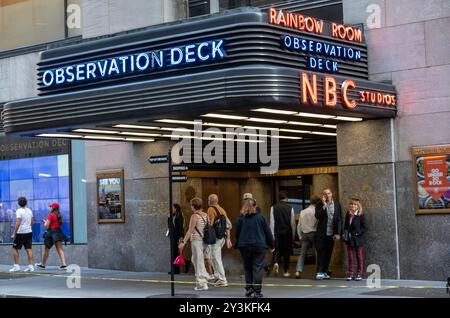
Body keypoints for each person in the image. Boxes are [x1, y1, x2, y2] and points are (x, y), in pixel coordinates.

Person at [235, 196, 274, 298]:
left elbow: (237, 233)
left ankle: (249, 289)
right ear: (255, 206)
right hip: (259, 245)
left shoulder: (240, 218)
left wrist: (237, 243)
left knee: (247, 268)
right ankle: (257, 291)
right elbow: (268, 232)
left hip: (244, 246)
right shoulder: (261, 217)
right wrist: (272, 245)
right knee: (257, 268)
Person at [178, 197, 210, 291]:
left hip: (196, 241)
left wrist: (183, 242)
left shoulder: (194, 216)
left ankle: (202, 283)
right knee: (195, 259)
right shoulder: (205, 215)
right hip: (204, 241)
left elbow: (190, 230)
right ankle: (204, 279)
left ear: (193, 206)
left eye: (191, 205)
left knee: (198, 261)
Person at [315, 188, 342, 280]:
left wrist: (338, 233)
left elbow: (339, 220)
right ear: (323, 196)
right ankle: (319, 272)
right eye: (325, 194)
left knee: (328, 253)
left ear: (332, 194)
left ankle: (325, 271)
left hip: (332, 234)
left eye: (328, 193)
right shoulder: (319, 204)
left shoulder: (337, 205)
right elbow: (317, 216)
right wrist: (324, 206)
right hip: (321, 233)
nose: (327, 195)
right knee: (321, 252)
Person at [206, 194, 232, 287]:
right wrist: (228, 239)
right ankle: (217, 277)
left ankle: (222, 279)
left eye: (208, 200)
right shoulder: (222, 210)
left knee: (216, 258)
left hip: (215, 238)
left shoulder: (211, 209)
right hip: (222, 237)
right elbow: (228, 225)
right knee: (213, 257)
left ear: (210, 201)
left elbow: (210, 224)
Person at [269, 191, 296, 277]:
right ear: (286, 199)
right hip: (287, 232)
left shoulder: (273, 208)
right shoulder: (290, 208)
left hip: (277, 232)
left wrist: (272, 233)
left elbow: (272, 221)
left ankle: (276, 263)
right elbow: (292, 223)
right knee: (286, 252)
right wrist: (293, 234)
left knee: (278, 249)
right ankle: (286, 271)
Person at [35, 203, 68, 270]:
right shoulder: (59, 215)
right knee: (60, 249)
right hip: (58, 232)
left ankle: (43, 264)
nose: (50, 208)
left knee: (46, 249)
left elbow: (46, 226)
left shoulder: (51, 215)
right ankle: (64, 264)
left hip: (51, 233)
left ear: (53, 208)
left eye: (51, 207)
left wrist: (44, 222)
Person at [295, 194, 320, 279]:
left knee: (302, 254)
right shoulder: (316, 211)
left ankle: (298, 271)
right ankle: (318, 272)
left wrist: (299, 235)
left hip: (304, 234)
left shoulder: (303, 211)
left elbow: (299, 225)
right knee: (318, 253)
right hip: (314, 233)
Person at [343, 198, 367, 281]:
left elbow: (364, 228)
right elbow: (346, 226)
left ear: (358, 206)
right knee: (350, 257)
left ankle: (359, 274)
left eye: (355, 204)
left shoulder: (361, 215)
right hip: (349, 239)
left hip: (358, 240)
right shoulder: (348, 214)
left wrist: (358, 233)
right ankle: (350, 274)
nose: (353, 206)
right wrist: (345, 235)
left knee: (359, 257)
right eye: (351, 204)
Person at [10, 197, 34, 272]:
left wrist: (14, 233)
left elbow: (18, 222)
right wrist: (28, 227)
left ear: (18, 203)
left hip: (20, 232)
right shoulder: (30, 210)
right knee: (28, 248)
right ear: (26, 202)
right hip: (29, 232)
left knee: (15, 248)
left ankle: (16, 266)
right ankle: (31, 266)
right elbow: (32, 221)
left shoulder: (18, 211)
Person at [168, 203, 184, 275]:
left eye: (173, 208)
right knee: (174, 253)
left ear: (176, 209)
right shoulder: (173, 216)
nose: (171, 209)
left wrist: (180, 238)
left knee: (175, 253)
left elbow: (180, 228)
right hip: (173, 237)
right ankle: (174, 269)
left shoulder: (179, 216)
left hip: (176, 237)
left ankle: (175, 270)